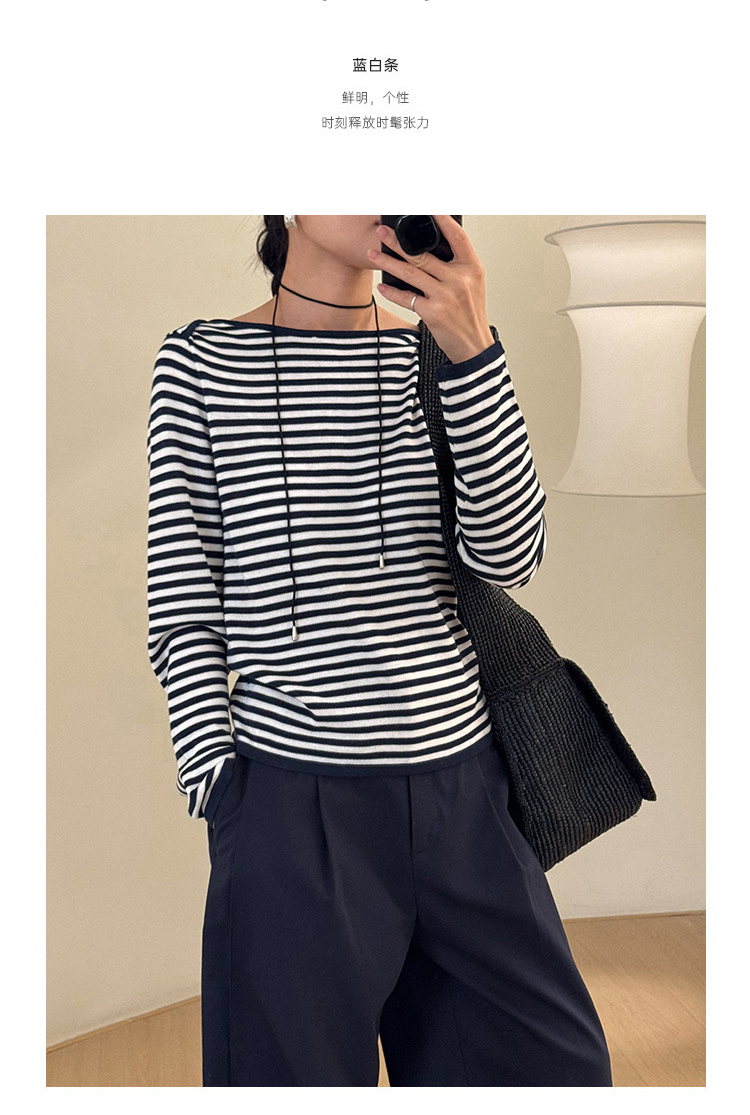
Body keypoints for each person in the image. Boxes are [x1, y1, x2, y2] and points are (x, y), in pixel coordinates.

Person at [146, 215, 613, 1086]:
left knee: (558, 1072)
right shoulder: (201, 360)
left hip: (465, 795)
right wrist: (221, 787)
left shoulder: (437, 352)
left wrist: (472, 350)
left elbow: (512, 556)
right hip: (292, 807)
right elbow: (183, 600)